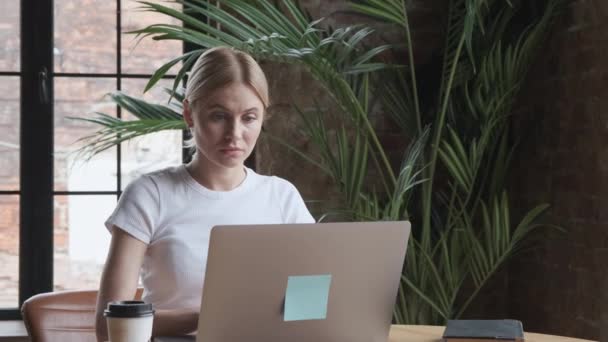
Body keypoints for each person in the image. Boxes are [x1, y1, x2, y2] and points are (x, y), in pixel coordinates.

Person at [94, 46, 315, 342]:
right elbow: (110, 326)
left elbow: (312, 306)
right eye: (218, 116)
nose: (234, 134)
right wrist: (212, 314)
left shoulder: (282, 197)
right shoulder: (150, 195)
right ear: (189, 113)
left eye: (249, 118)